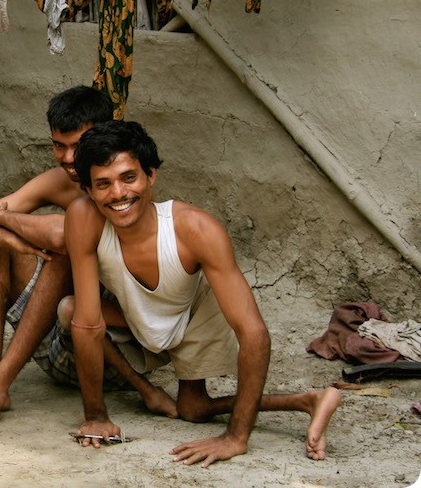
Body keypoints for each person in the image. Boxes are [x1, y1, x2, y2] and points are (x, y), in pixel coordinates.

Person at [64, 120, 342, 467]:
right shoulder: (83, 218)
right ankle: (305, 400)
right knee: (71, 310)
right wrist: (96, 416)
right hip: (139, 324)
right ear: (89, 192)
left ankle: (308, 400)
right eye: (103, 184)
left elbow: (253, 333)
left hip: (192, 320)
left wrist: (236, 437)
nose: (118, 194)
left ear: (151, 175)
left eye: (129, 178)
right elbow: (89, 324)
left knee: (193, 410)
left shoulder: (195, 228)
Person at [0, 86, 175, 438]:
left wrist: (4, 221)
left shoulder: (118, 188)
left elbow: (63, 236)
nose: (68, 157)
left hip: (110, 356)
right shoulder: (59, 182)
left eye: (78, 145)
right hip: (56, 339)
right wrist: (10, 238)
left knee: (64, 251)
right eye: (59, 145)